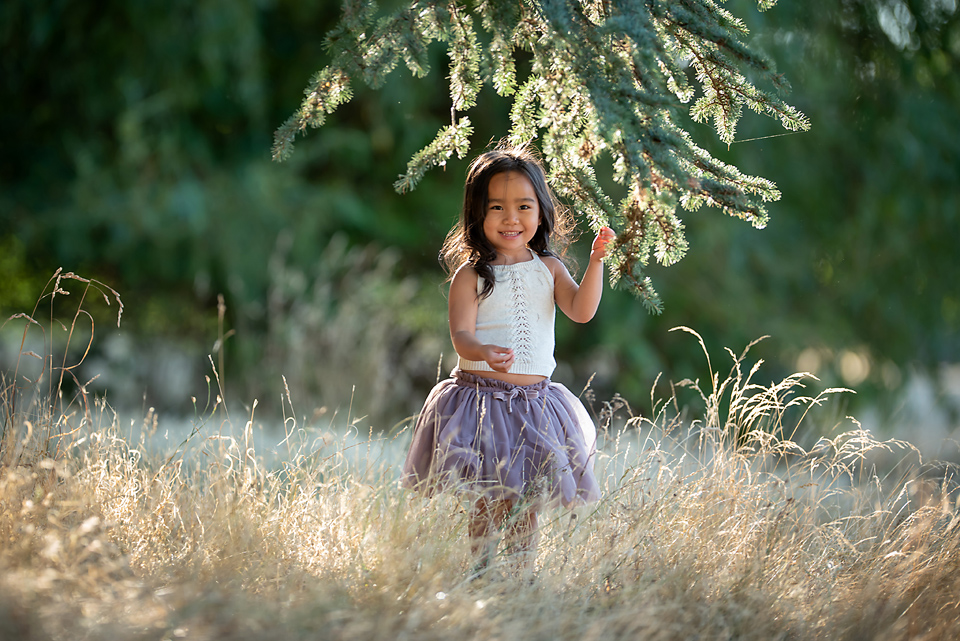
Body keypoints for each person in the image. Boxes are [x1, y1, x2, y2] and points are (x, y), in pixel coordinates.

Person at [401, 142, 615, 573]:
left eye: (523, 206)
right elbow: (461, 335)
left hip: (534, 405)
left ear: (541, 212)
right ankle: (481, 568)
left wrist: (595, 263)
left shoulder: (549, 268)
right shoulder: (471, 274)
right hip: (481, 399)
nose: (511, 218)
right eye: (496, 207)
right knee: (488, 494)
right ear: (478, 214)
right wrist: (481, 350)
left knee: (527, 499)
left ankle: (520, 575)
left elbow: (581, 310)